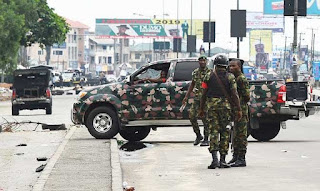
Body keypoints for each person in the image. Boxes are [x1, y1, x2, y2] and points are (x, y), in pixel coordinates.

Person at [199, 54, 241, 169]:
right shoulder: (230, 77)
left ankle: (214, 160)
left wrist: (201, 108)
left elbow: (203, 93)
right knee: (225, 132)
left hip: (211, 107)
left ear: (215, 65)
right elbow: (234, 94)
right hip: (225, 108)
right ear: (226, 65)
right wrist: (238, 109)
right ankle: (223, 160)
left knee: (213, 131)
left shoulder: (208, 76)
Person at [182, 55, 210, 146]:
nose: (202, 62)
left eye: (204, 61)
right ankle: (198, 135)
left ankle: (206, 139)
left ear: (206, 62)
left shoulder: (210, 72)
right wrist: (186, 96)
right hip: (197, 98)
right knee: (192, 116)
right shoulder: (195, 72)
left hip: (206, 99)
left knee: (205, 119)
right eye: (200, 60)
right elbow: (192, 84)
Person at [228, 59, 251, 167]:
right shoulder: (233, 78)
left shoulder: (241, 79)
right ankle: (235, 156)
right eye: (230, 66)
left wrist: (240, 106)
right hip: (235, 109)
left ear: (239, 67)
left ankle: (241, 158)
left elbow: (247, 96)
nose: (231, 68)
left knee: (241, 134)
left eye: (234, 66)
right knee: (235, 134)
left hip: (241, 110)